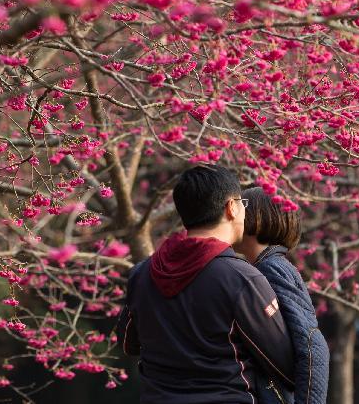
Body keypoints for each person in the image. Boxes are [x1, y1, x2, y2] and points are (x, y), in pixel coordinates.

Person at [117, 165, 296, 403]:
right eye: (242, 203)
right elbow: (285, 366)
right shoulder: (242, 279)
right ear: (231, 207)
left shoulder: (141, 274)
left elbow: (129, 343)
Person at [234, 187, 330, 404]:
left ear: (261, 216)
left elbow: (311, 342)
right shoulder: (267, 266)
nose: (232, 214)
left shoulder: (272, 268)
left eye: (242, 205)